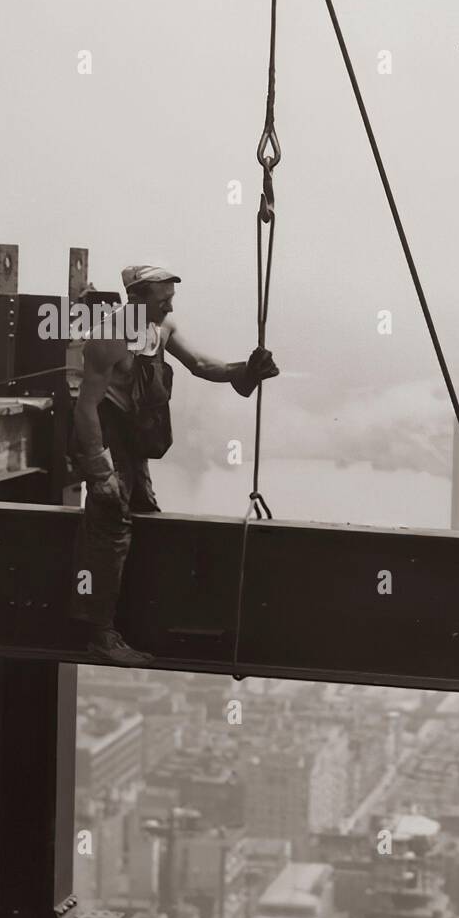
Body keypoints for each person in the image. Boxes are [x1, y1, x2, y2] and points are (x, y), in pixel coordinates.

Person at [69, 265, 280, 666]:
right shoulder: (109, 338)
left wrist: (245, 369)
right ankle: (98, 633)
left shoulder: (160, 328)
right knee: (110, 522)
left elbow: (200, 365)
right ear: (136, 298)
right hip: (108, 434)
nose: (169, 303)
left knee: (144, 513)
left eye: (170, 296)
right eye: (162, 297)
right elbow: (86, 407)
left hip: (132, 437)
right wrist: (98, 471)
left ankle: (134, 617)